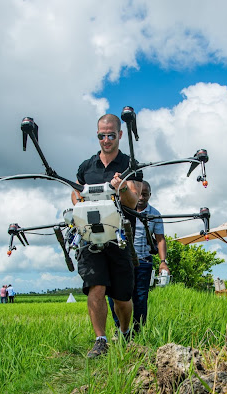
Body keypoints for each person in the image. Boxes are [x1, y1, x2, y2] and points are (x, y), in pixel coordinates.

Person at [72, 113, 143, 358]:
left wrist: (122, 187)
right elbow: (75, 193)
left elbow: (134, 202)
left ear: (120, 135)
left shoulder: (130, 166)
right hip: (90, 238)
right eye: (102, 136)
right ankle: (100, 340)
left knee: (122, 297)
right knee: (96, 286)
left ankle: (124, 332)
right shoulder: (86, 167)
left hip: (120, 237)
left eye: (111, 135)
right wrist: (78, 204)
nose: (106, 140)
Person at [107, 181, 168, 332]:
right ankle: (120, 328)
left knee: (140, 298)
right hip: (120, 261)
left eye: (145, 194)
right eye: (139, 194)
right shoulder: (120, 209)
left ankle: (138, 330)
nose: (141, 197)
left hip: (143, 262)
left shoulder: (154, 214)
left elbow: (160, 239)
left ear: (149, 195)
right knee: (115, 296)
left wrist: (163, 262)